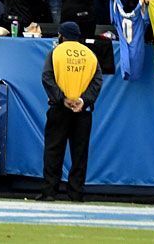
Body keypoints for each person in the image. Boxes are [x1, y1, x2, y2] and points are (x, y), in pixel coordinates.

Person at [40, 22, 101, 202]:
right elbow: (97, 81)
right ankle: (76, 193)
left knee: (53, 150)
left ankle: (50, 191)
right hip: (82, 111)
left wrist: (62, 99)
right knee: (79, 153)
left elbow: (47, 77)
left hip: (60, 108)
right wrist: (83, 100)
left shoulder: (55, 52)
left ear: (62, 36)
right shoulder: (90, 55)